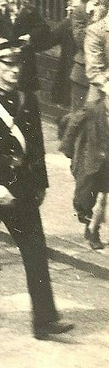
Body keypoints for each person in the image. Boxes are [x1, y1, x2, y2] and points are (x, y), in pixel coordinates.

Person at [0, 38, 73, 339]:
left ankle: (44, 320)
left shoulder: (26, 100)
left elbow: (36, 146)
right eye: (8, 64)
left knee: (35, 250)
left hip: (20, 186)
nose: (15, 70)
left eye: (18, 64)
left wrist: (42, 183)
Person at [61, 77, 109, 249]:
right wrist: (68, 149)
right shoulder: (92, 109)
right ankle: (84, 214)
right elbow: (72, 125)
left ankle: (94, 230)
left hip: (107, 164)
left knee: (102, 199)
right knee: (84, 197)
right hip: (90, 161)